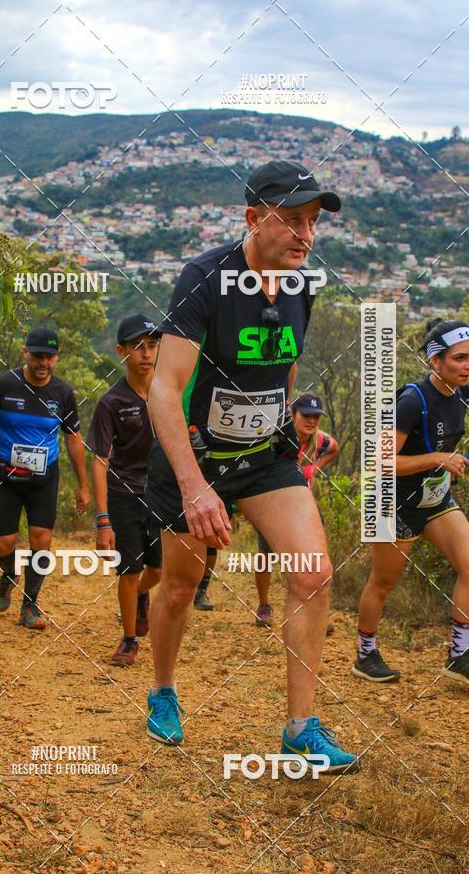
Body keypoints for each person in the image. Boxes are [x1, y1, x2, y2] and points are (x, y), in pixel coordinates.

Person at [145, 160, 359, 774]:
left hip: (264, 456)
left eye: (312, 222)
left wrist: (286, 423)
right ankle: (163, 690)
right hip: (197, 456)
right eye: (291, 220)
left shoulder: (300, 286)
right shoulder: (205, 279)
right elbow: (164, 388)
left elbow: (285, 365)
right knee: (181, 586)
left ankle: (300, 729)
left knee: (313, 574)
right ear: (252, 218)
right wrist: (194, 487)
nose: (305, 235)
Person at [353, 318, 469, 684]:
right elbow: (381, 461)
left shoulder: (462, 393)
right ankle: (365, 654)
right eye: (459, 358)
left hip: (433, 500)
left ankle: (459, 655)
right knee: (383, 582)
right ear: (436, 361)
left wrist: (450, 461)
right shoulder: (411, 401)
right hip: (390, 501)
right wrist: (438, 459)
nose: (467, 366)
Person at [0, 325, 90, 630]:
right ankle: (10, 572)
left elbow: (73, 438)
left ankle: (30, 605)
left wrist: (83, 485)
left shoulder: (63, 393)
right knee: (4, 544)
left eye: (49, 357)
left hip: (43, 476)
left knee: (42, 539)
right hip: (5, 474)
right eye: (38, 356)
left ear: (57, 358)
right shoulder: (4, 384)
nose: (43, 363)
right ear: (25, 353)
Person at [87, 315, 162, 666]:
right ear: (122, 351)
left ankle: (141, 596)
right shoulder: (111, 402)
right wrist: (103, 521)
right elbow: (99, 461)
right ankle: (129, 640)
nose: (146, 353)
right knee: (129, 570)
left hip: (160, 493)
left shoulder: (169, 392)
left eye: (152, 345)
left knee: (158, 570)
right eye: (137, 346)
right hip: (123, 492)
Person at [255, 393, 339, 628]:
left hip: (305, 506)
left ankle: (314, 611)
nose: (311, 421)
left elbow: (335, 448)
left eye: (316, 417)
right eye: (306, 415)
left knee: (315, 557)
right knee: (266, 556)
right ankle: (263, 606)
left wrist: (316, 466)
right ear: (293, 415)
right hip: (273, 504)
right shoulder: (277, 438)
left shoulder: (320, 442)